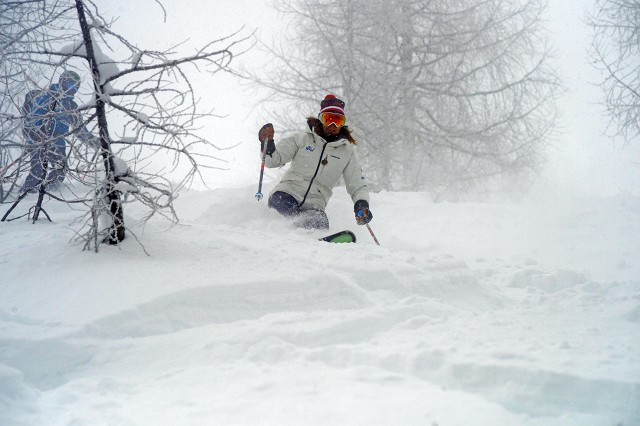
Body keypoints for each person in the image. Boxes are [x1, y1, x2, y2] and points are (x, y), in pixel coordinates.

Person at [258, 94, 373, 230]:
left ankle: (318, 242)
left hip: (315, 204)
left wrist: (361, 203)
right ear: (320, 119)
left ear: (343, 123)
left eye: (337, 120)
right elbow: (273, 160)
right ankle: (290, 234)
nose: (332, 125)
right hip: (286, 193)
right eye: (328, 119)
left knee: (318, 223)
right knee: (292, 215)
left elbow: (357, 184)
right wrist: (268, 144)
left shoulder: (346, 152)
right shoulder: (301, 139)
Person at [21, 70, 99, 193]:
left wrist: (95, 142)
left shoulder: (71, 107)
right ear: (63, 82)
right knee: (38, 171)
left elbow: (80, 131)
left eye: (75, 87)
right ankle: (26, 195)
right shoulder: (46, 97)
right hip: (39, 141)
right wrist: (36, 134)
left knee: (61, 169)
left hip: (57, 145)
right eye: (70, 85)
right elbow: (34, 117)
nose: (72, 89)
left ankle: (48, 194)